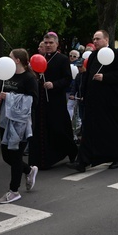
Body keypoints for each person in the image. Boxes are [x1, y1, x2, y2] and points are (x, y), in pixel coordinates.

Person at [68, 30, 118, 172]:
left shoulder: (117, 55)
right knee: (89, 130)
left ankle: (117, 158)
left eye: (98, 39)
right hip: (94, 101)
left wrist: (105, 77)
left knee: (113, 131)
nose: (95, 41)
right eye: (93, 39)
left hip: (112, 101)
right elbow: (88, 76)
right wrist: (83, 94)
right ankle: (82, 161)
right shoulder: (94, 56)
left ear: (106, 39)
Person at [0, 49, 39, 204]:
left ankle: (13, 191)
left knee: (15, 156)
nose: (8, 59)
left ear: (18, 60)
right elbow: (2, 92)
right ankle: (29, 170)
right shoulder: (8, 75)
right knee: (6, 156)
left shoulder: (29, 78)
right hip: (6, 120)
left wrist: (11, 97)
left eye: (10, 57)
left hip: (21, 123)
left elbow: (33, 100)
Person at [32, 32, 78, 169]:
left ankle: (73, 154)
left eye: (51, 43)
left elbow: (67, 78)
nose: (48, 45)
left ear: (57, 44)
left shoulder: (62, 59)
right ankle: (43, 160)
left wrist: (54, 84)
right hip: (41, 100)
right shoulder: (41, 58)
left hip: (56, 100)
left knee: (60, 128)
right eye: (46, 43)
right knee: (42, 129)